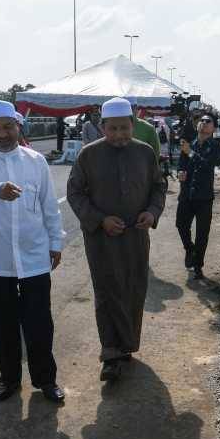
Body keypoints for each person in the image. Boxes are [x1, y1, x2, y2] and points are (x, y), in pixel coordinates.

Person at [0, 100, 66, 403]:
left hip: (33, 256)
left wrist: (55, 243)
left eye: (8, 127)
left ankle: (46, 380)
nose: (2, 134)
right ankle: (8, 379)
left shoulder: (35, 160)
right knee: (1, 323)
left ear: (18, 127)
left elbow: (49, 205)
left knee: (39, 323)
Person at [66, 97, 166, 384]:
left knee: (134, 288)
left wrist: (151, 212)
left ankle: (127, 346)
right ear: (102, 127)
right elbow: (75, 193)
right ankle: (110, 353)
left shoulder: (145, 153)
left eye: (125, 128)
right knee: (107, 291)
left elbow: (159, 187)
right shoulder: (88, 155)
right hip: (101, 240)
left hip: (136, 235)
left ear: (133, 125)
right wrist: (100, 220)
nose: (120, 135)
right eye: (113, 129)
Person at [176, 114, 220, 279]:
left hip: (204, 196)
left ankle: (198, 266)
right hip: (186, 193)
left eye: (208, 122)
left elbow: (209, 166)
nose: (204, 123)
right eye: (202, 121)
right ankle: (189, 249)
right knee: (180, 225)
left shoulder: (215, 147)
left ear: (214, 128)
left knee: (202, 233)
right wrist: (181, 171)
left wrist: (191, 153)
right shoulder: (189, 144)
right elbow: (181, 163)